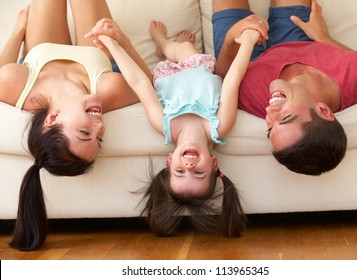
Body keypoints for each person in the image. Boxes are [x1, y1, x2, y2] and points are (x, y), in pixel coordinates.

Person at [0, 0, 151, 251]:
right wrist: (121, 43)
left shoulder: (16, 85)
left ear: (51, 120)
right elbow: (147, 84)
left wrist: (18, 31)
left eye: (84, 133)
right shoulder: (107, 90)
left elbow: (2, 69)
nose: (99, 127)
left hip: (40, 50)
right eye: (98, 138)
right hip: (93, 56)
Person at [94, 20, 260, 237]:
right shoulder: (218, 126)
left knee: (178, 52)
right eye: (198, 172)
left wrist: (113, 46)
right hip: (198, 67)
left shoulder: (164, 125)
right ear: (212, 164)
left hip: (165, 76)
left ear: (170, 161)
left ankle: (163, 44)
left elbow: (140, 84)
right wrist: (248, 42)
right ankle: (172, 45)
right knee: (186, 50)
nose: (189, 165)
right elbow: (232, 81)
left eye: (180, 171)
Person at [212, 0, 357, 175]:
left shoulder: (254, 95)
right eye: (287, 117)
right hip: (303, 40)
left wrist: (230, 37)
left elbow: (224, 78)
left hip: (247, 57)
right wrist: (323, 37)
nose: (270, 113)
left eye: (270, 128)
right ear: (323, 111)